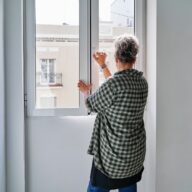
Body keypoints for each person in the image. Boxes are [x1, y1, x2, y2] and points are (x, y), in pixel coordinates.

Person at [78, 34, 148, 192]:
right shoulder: (142, 82)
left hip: (110, 160)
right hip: (133, 156)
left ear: (116, 58)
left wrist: (85, 92)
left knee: (95, 189)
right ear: (134, 59)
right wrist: (103, 66)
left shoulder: (114, 85)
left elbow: (91, 104)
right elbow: (117, 89)